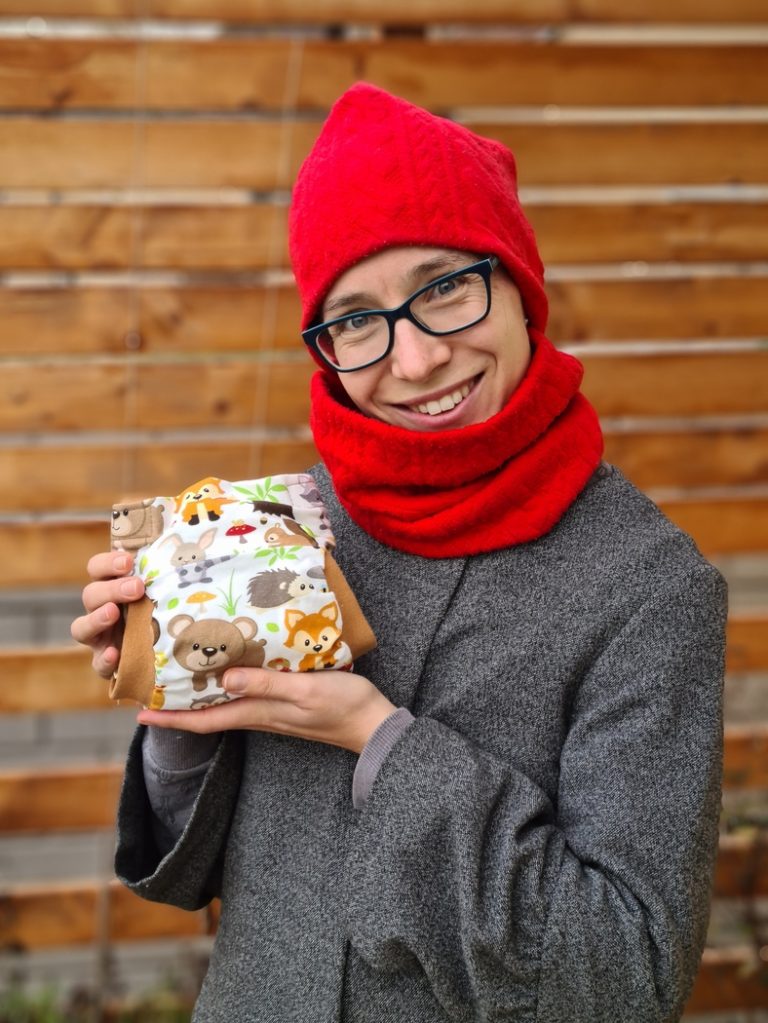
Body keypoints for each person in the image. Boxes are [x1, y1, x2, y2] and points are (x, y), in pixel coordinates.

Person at [71, 82, 727, 1023]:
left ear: (519, 282)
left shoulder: (649, 587)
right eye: (355, 319)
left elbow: (628, 974)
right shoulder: (285, 530)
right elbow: (190, 878)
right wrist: (176, 691)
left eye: (445, 286)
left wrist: (382, 742)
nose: (415, 362)